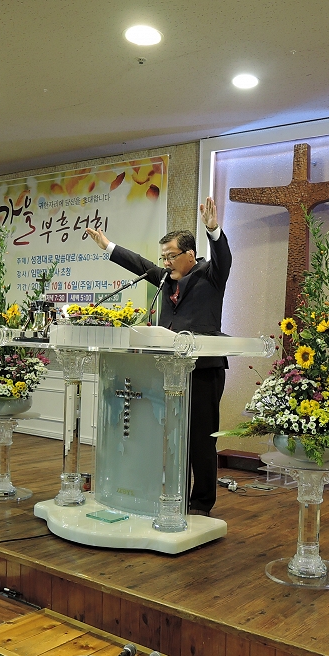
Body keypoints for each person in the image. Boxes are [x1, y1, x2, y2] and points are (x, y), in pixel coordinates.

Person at [85, 197, 231, 516]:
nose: (165, 262)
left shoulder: (210, 275)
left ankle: (201, 502)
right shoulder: (165, 279)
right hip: (166, 368)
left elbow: (223, 256)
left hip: (203, 369)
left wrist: (213, 229)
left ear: (190, 255)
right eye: (163, 256)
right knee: (170, 435)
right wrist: (108, 246)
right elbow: (139, 264)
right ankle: (169, 492)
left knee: (200, 439)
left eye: (171, 256)